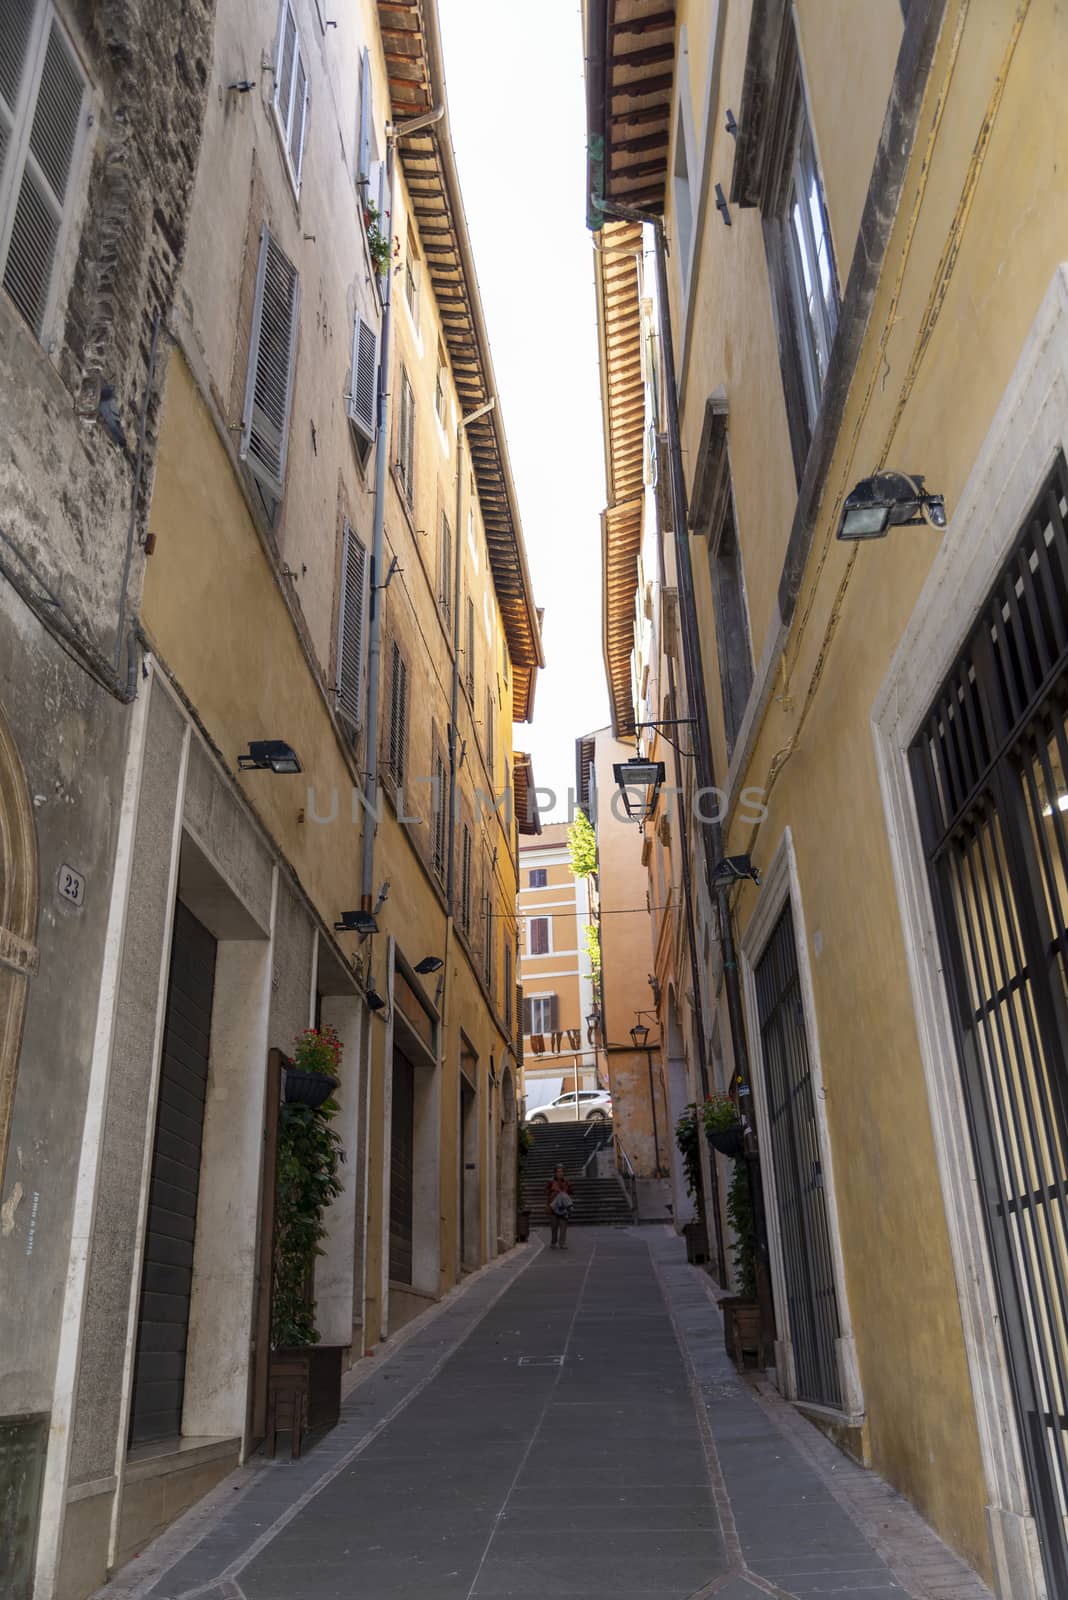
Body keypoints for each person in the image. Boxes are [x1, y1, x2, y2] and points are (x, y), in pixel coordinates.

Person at [546, 1163, 573, 1250]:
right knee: (554, 1227)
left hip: (563, 1208)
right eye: (558, 1172)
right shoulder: (550, 1182)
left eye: (562, 1171)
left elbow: (571, 1192)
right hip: (553, 1208)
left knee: (563, 1226)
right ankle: (553, 1242)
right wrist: (553, 1191)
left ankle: (562, 1243)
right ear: (555, 1173)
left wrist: (567, 1190)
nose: (560, 1173)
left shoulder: (566, 1182)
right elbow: (546, 1192)